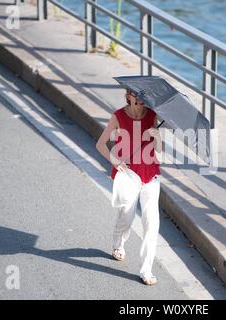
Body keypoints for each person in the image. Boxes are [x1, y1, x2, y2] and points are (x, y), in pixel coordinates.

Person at [96, 89, 162, 286]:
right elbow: (100, 144)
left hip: (150, 173)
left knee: (152, 223)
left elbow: (158, 151)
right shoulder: (118, 116)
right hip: (127, 174)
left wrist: (156, 136)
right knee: (127, 215)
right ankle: (118, 243)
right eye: (136, 95)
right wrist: (115, 161)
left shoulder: (152, 115)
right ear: (128, 96)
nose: (140, 99)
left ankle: (146, 270)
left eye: (143, 96)